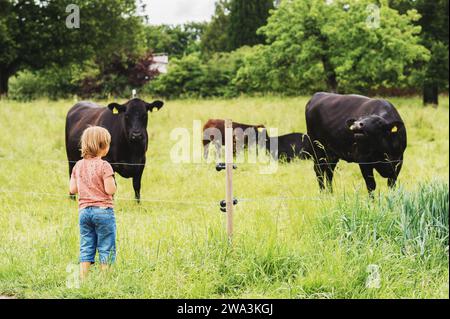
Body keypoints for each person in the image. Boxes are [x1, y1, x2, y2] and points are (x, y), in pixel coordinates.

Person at [69, 126, 117, 280]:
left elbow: (72, 189)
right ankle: (105, 279)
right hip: (103, 211)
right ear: (103, 146)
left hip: (84, 212)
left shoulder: (77, 165)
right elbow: (110, 190)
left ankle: (83, 278)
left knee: (87, 244)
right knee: (106, 245)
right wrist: (113, 185)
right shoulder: (104, 166)